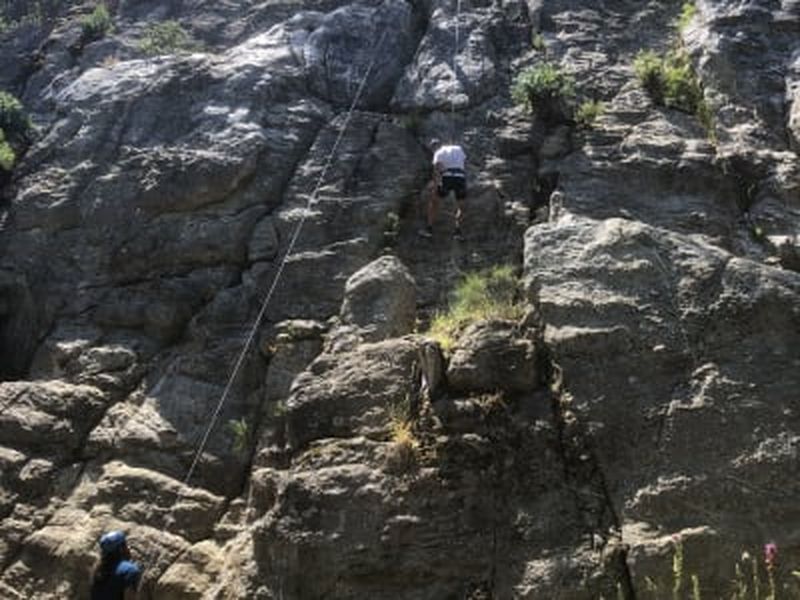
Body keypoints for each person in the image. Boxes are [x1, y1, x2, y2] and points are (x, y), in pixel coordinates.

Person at [419, 139, 467, 240]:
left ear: (434, 147)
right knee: (461, 206)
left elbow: (437, 171)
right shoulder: (458, 148)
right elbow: (462, 162)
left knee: (434, 202)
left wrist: (435, 188)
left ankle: (429, 229)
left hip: (447, 178)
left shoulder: (438, 153)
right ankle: (458, 232)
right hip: (461, 178)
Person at [90, 531, 142, 600]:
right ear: (120, 548)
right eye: (125, 545)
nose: (128, 548)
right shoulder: (130, 571)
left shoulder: (97, 572)